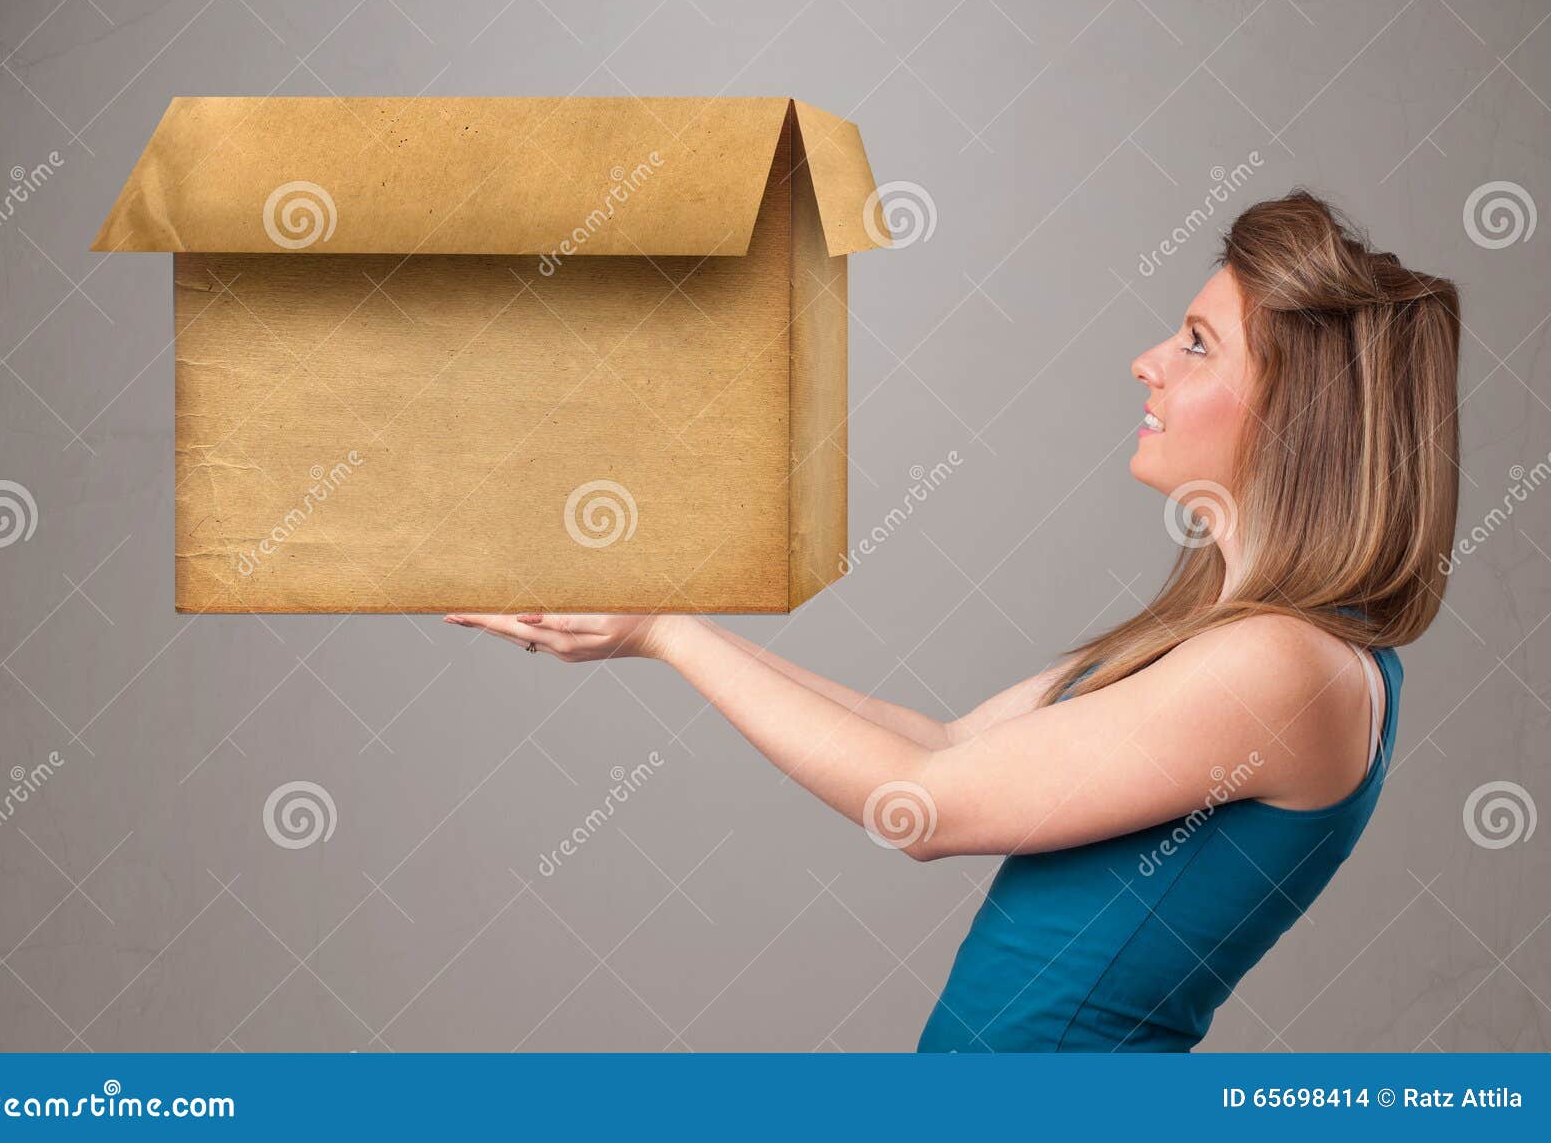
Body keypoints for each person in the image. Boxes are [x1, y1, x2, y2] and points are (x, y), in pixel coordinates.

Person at [445, 189, 1462, 1053]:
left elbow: (921, 806)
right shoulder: (1229, 637)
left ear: (1292, 413)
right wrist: (652, 626)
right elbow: (941, 743)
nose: (1146, 360)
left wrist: (667, 633)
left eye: (1196, 343)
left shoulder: (1283, 665)